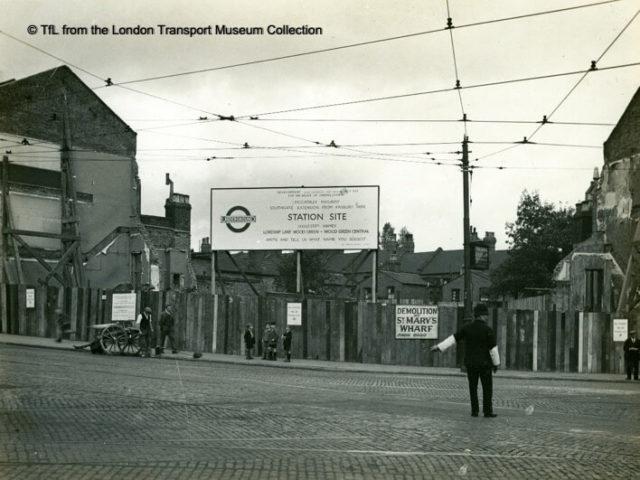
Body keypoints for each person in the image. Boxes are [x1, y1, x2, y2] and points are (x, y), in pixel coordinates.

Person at [431, 303, 500, 418]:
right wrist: (496, 364)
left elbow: (453, 338)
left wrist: (439, 347)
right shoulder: (488, 330)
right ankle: (487, 411)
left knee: (473, 388)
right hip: (485, 364)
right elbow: (493, 348)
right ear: (481, 316)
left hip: (471, 363)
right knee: (487, 388)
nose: (487, 317)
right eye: (486, 315)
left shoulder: (467, 328)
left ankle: (475, 411)